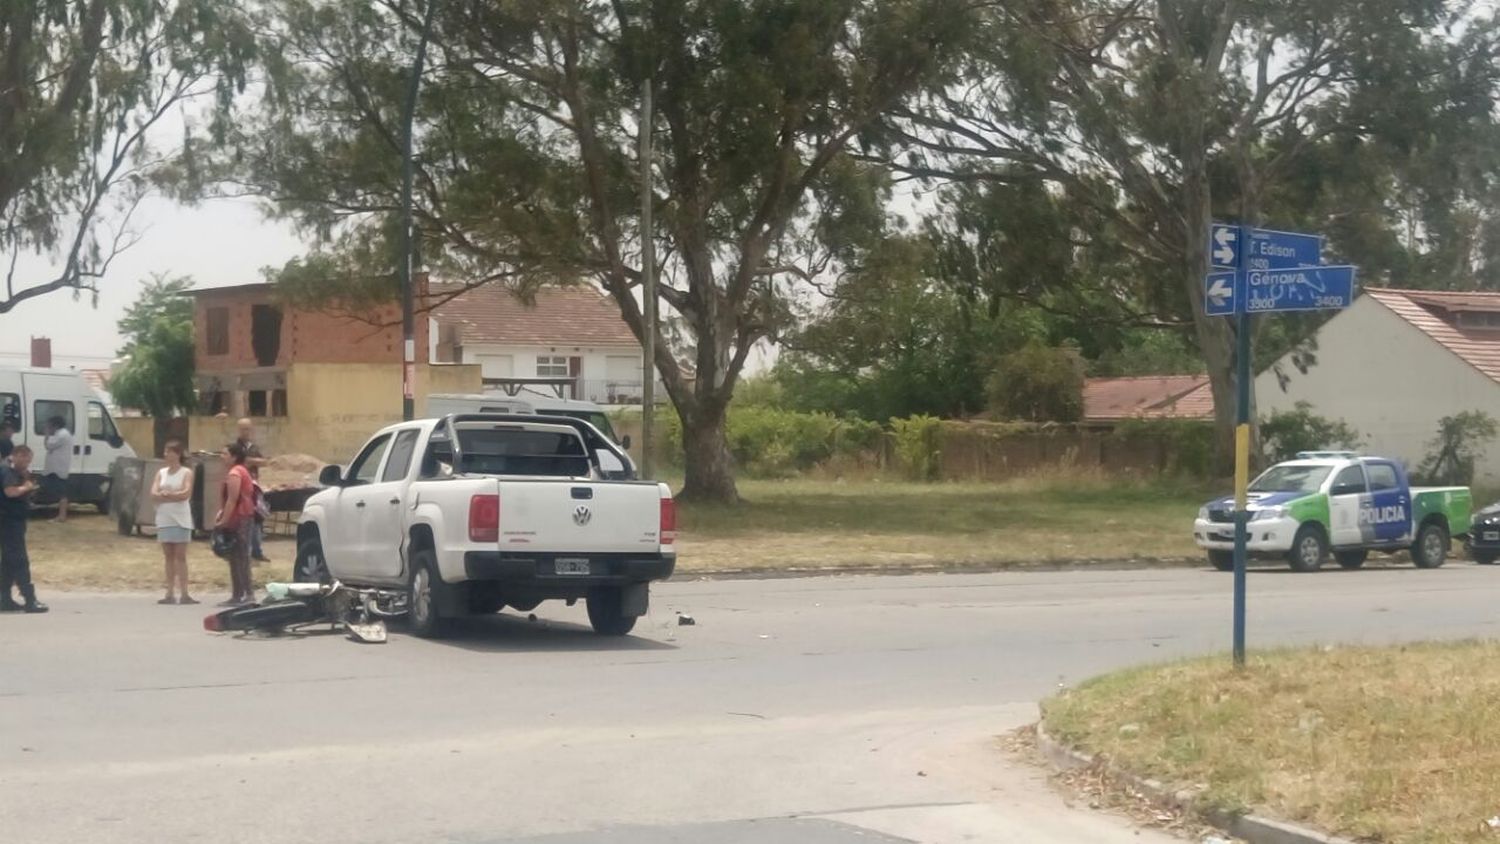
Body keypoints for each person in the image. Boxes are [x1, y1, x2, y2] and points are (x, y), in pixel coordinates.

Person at [0, 445, 47, 613]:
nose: (25, 461)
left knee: (8, 562)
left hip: (14, 521)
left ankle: (4, 599)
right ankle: (29, 599)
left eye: (28, 458)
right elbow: (10, 492)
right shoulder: (7, 472)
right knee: (20, 560)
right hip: (9, 522)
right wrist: (26, 487)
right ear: (14, 456)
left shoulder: (15, 472)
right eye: (22, 457)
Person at [151, 441, 197, 606]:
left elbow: (185, 493)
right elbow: (154, 493)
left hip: (180, 518)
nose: (167, 455)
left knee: (180, 556)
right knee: (168, 556)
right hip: (164, 518)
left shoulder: (186, 472)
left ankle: (184, 593)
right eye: (166, 452)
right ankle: (169, 591)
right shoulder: (161, 473)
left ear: (178, 454)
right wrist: (165, 495)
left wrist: (168, 495)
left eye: (171, 452)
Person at [216, 442, 257, 606]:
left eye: (225, 454)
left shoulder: (235, 473)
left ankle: (247, 594)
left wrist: (224, 519)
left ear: (234, 457)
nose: (222, 457)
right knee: (235, 556)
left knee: (240, 556)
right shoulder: (239, 471)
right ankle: (238, 594)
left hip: (240, 517)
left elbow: (232, 499)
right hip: (240, 517)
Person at [236, 418, 269, 562]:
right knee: (242, 519)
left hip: (254, 487)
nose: (246, 432)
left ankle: (257, 550)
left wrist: (251, 461)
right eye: (243, 429)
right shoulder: (235, 447)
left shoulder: (254, 448)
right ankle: (243, 551)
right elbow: (237, 461)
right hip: (239, 486)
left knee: (257, 518)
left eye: (248, 429)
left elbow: (264, 461)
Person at [42, 416, 72, 522]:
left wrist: (46, 434)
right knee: (59, 492)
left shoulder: (62, 434)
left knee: (61, 493)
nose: (48, 426)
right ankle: (60, 515)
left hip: (58, 469)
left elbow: (48, 445)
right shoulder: (60, 434)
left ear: (55, 425)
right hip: (55, 468)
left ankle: (62, 516)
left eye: (49, 425)